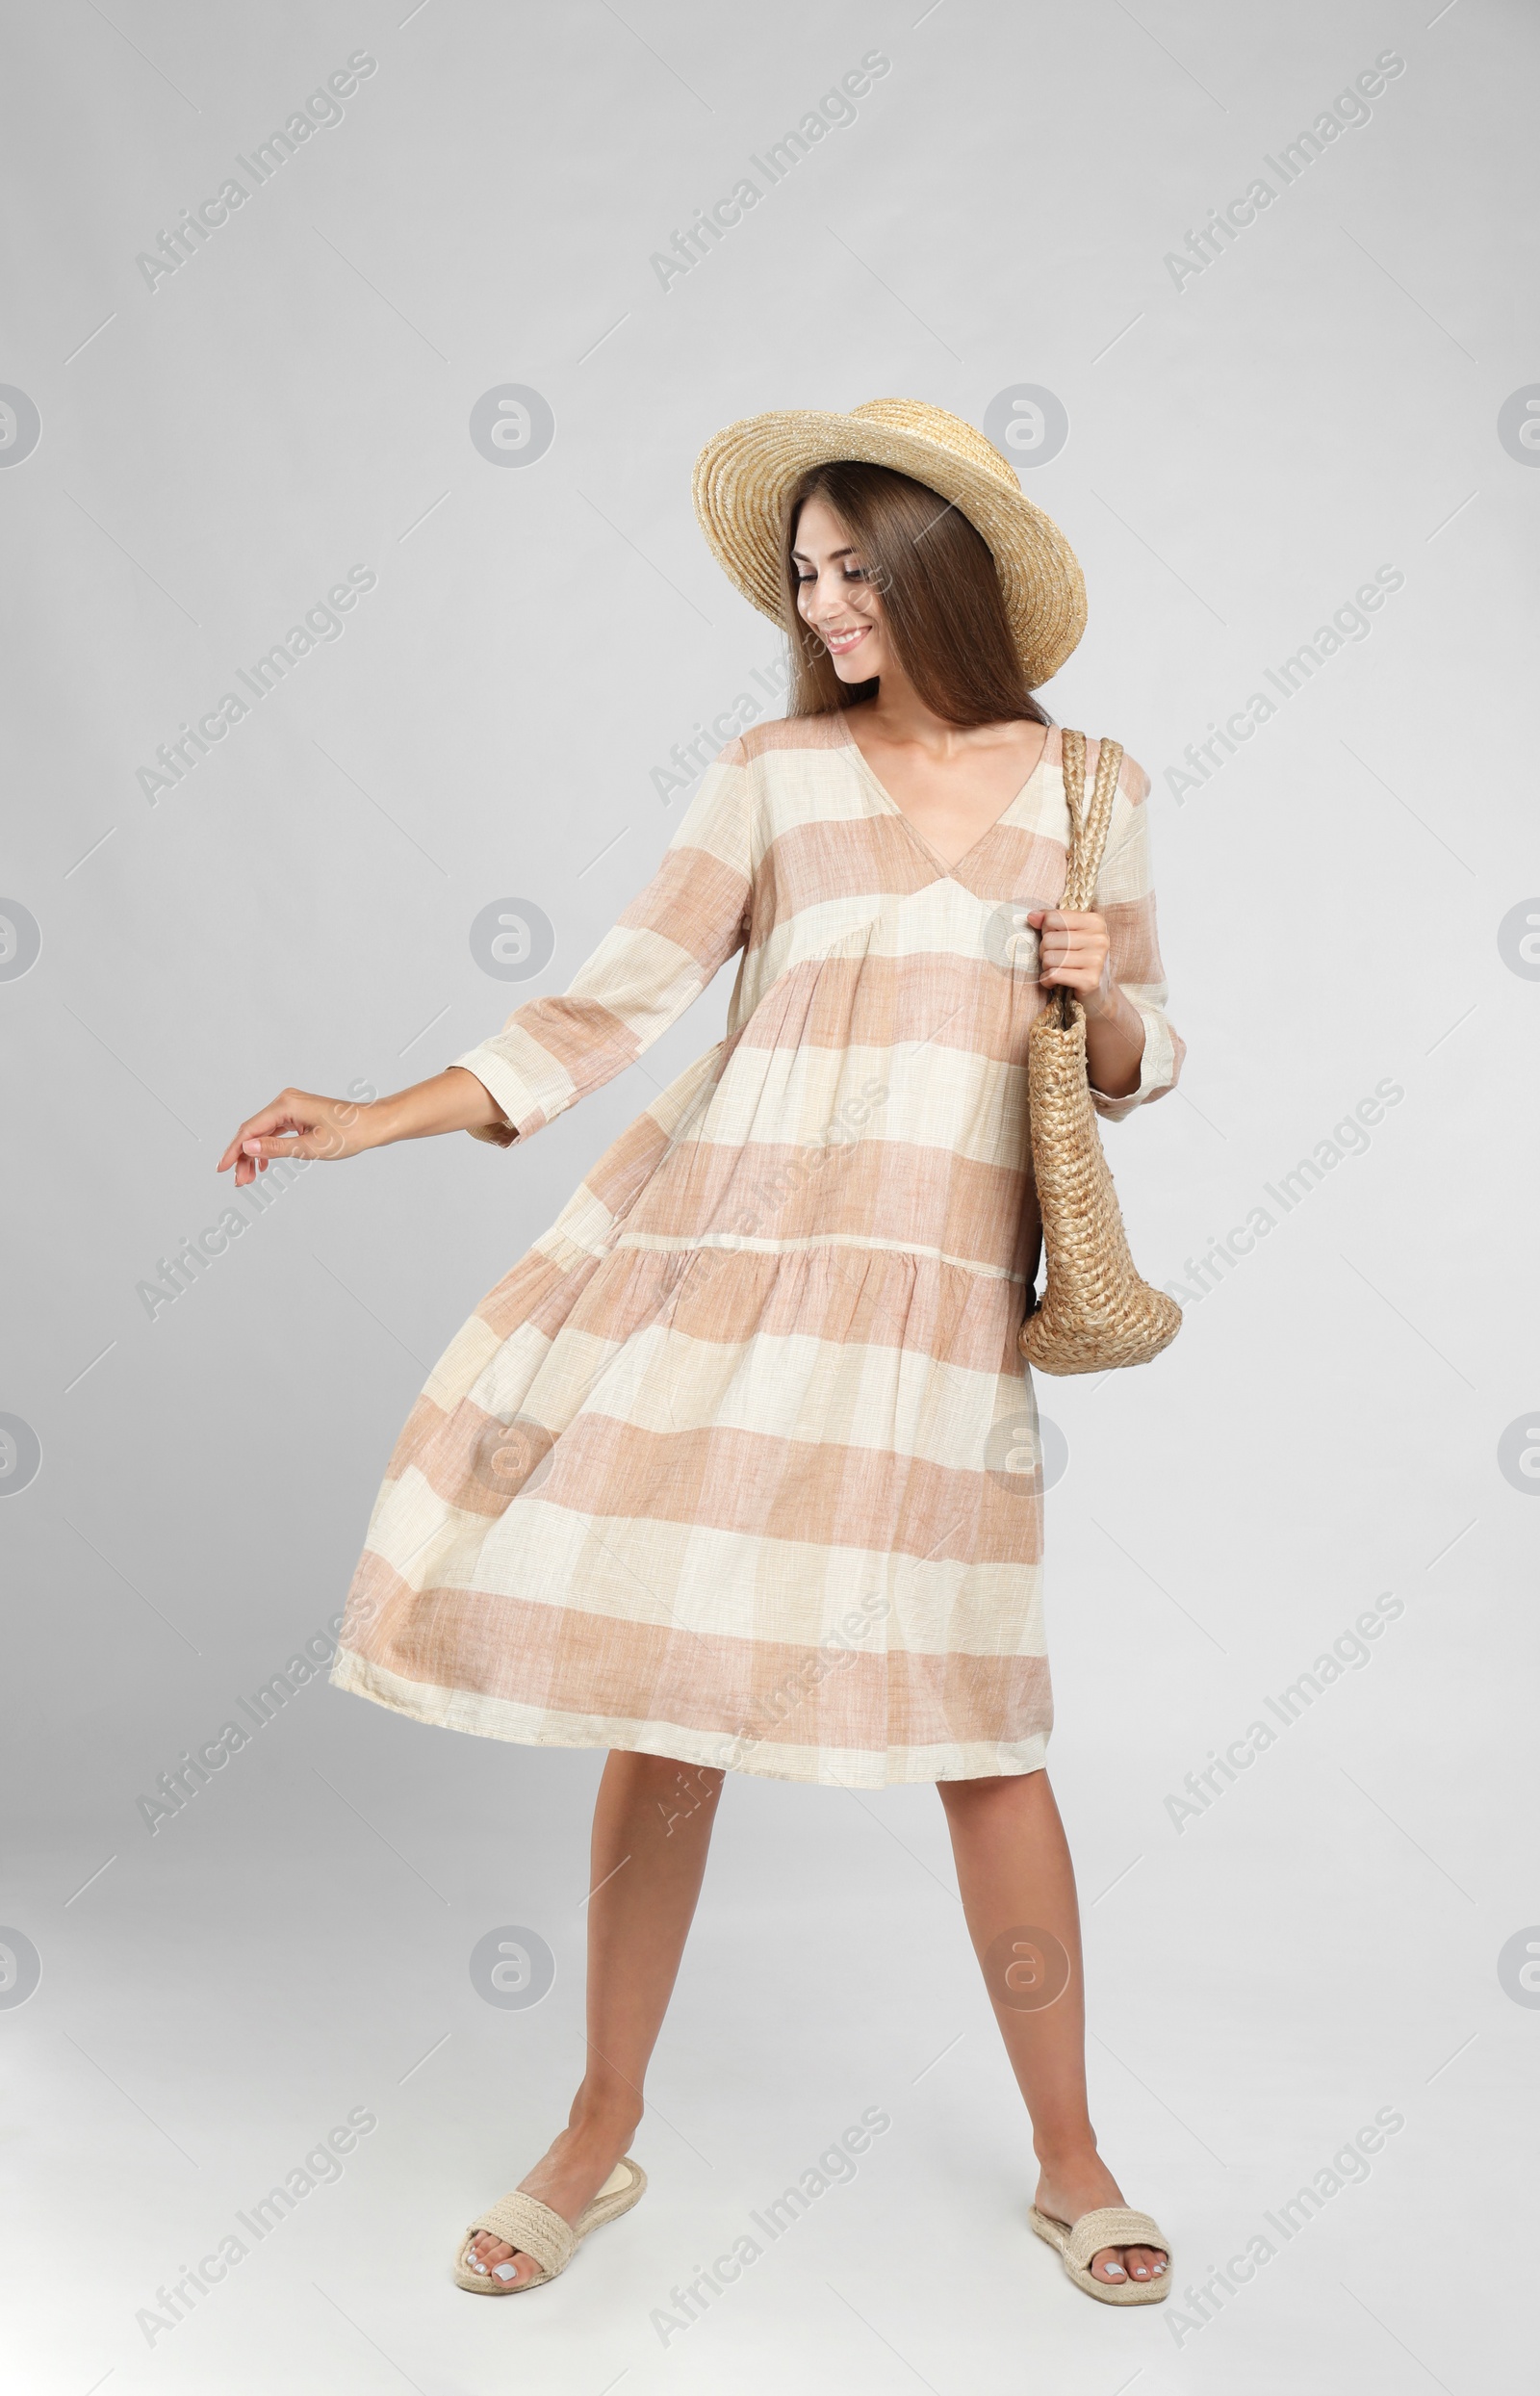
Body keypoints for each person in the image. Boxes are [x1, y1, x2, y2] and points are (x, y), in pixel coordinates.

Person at [218, 399, 1182, 2307]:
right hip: (722, 1281)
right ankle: (596, 2126)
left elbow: (1143, 1062)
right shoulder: (769, 774)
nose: (822, 604)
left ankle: (1070, 2159)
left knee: (980, 1736)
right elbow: (610, 1006)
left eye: (851, 569)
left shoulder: (1090, 781)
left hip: (923, 1327)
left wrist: (1103, 1003)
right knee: (665, 1717)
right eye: (804, 575)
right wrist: (372, 1114)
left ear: (936, 573)